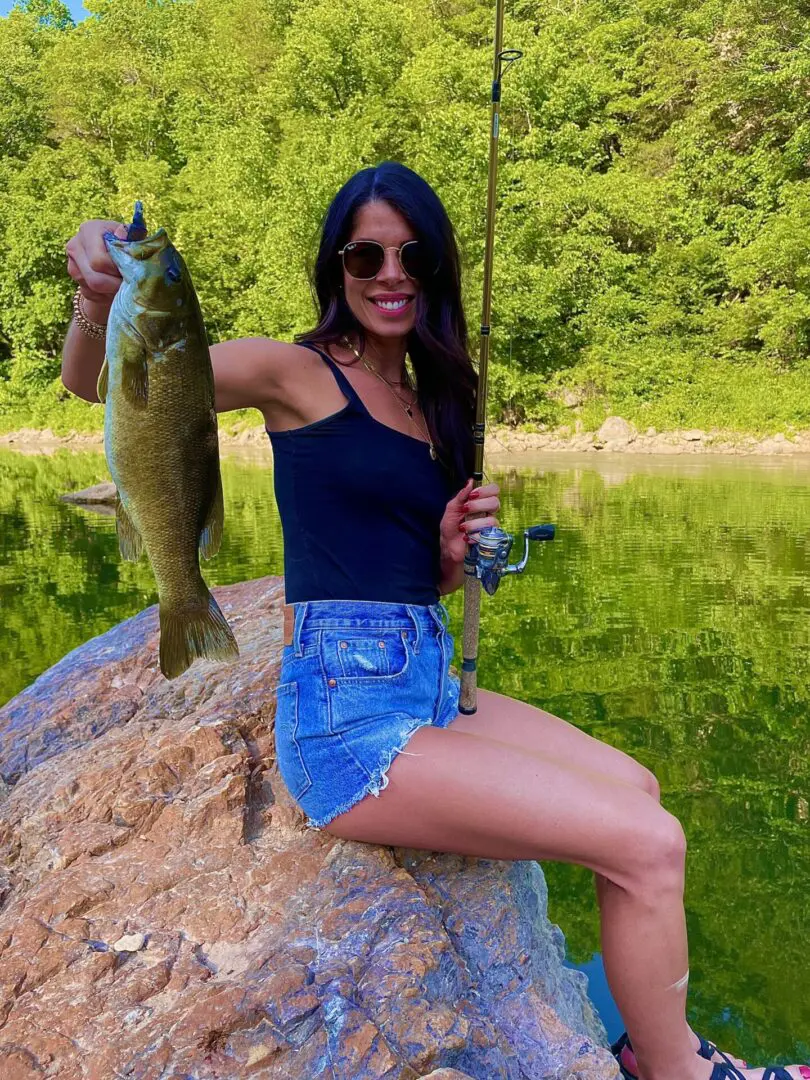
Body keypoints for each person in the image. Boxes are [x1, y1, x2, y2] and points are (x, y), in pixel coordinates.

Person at [62, 161, 807, 1080]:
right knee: (650, 848)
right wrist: (99, 277)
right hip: (347, 721)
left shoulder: (432, 402)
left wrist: (452, 555)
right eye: (366, 252)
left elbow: (415, 575)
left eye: (412, 253)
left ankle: (659, 1047)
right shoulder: (294, 372)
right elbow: (111, 385)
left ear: (437, 267)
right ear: (336, 265)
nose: (390, 271)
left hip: (425, 679)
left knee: (644, 791)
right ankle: (676, 1073)